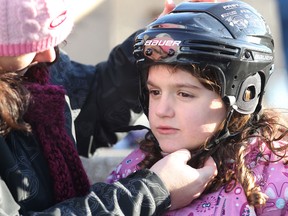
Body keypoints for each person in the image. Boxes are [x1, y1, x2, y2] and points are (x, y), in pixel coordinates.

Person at [0, 0, 217, 215]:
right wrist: (146, 195)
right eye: (31, 45)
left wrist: (151, 46)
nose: (51, 55)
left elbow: (89, 108)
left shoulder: (33, 70)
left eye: (54, 40)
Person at [107, 1, 288, 215]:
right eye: (155, 92)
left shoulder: (273, 174)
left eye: (184, 94)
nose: (161, 111)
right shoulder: (138, 168)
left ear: (246, 93)